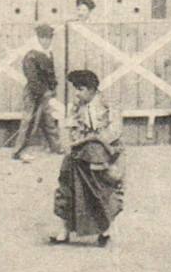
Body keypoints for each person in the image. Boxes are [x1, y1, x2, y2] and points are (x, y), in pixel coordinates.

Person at [51, 70, 123, 246]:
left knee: (102, 189)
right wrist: (76, 140)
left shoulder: (108, 104)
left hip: (104, 152)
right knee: (67, 184)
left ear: (92, 90)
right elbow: (70, 128)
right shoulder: (77, 106)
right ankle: (64, 230)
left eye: (80, 89)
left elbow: (115, 130)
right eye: (76, 89)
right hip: (81, 151)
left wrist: (96, 140)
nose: (77, 93)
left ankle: (105, 231)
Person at [10, 24, 63, 160]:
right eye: (43, 38)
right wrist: (41, 92)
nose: (46, 41)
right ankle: (18, 151)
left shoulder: (48, 54)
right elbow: (32, 78)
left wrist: (52, 88)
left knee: (48, 121)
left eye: (49, 38)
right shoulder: (31, 56)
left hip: (46, 93)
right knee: (29, 121)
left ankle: (56, 147)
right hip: (33, 93)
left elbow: (51, 75)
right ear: (38, 38)